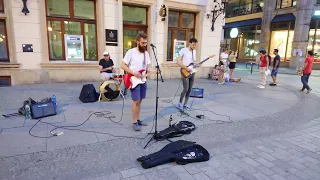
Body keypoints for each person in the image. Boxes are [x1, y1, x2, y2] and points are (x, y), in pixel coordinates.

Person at [121, 32, 151, 131]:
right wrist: (133, 72)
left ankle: (138, 119)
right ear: (137, 42)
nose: (144, 45)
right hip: (134, 80)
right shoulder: (131, 52)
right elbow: (123, 65)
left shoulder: (146, 54)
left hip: (143, 80)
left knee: (140, 101)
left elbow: (148, 67)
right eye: (143, 43)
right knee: (136, 101)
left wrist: (150, 70)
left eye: (146, 43)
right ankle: (134, 122)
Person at [177, 38, 200, 110]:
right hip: (185, 71)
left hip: (192, 71)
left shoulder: (194, 52)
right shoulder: (183, 50)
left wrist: (197, 65)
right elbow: (178, 62)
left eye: (195, 45)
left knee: (190, 89)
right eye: (193, 44)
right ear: (189, 43)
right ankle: (180, 102)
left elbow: (192, 62)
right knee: (185, 88)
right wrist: (186, 68)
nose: (194, 46)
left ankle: (185, 104)